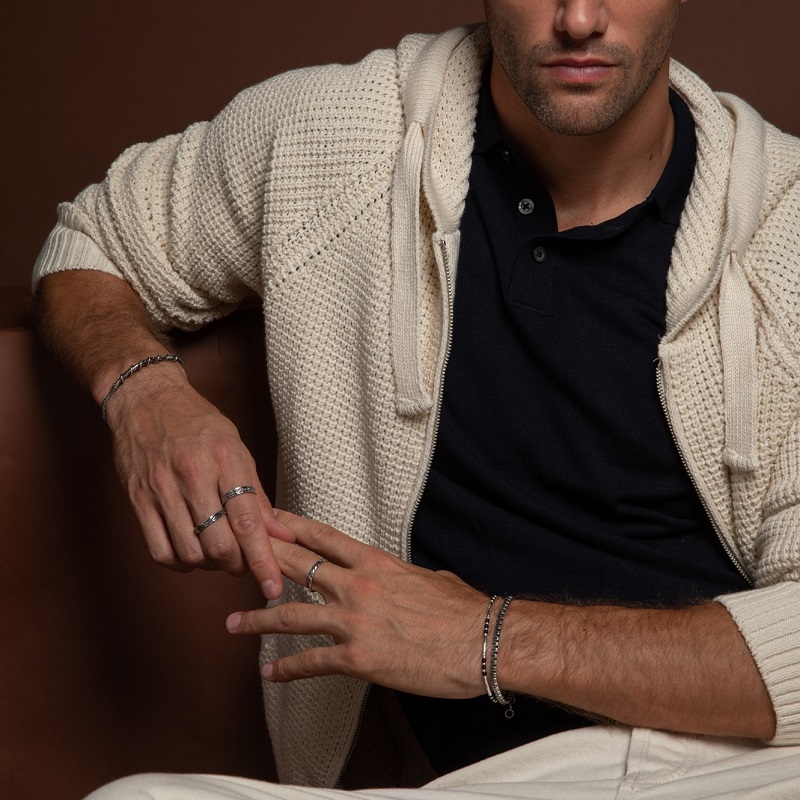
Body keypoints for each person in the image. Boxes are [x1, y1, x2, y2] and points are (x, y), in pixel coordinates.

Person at [33, 1, 800, 798]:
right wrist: (147, 394)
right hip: (488, 785)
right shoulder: (331, 136)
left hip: (746, 767)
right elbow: (92, 241)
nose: (579, 18)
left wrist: (483, 640)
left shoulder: (787, 228)